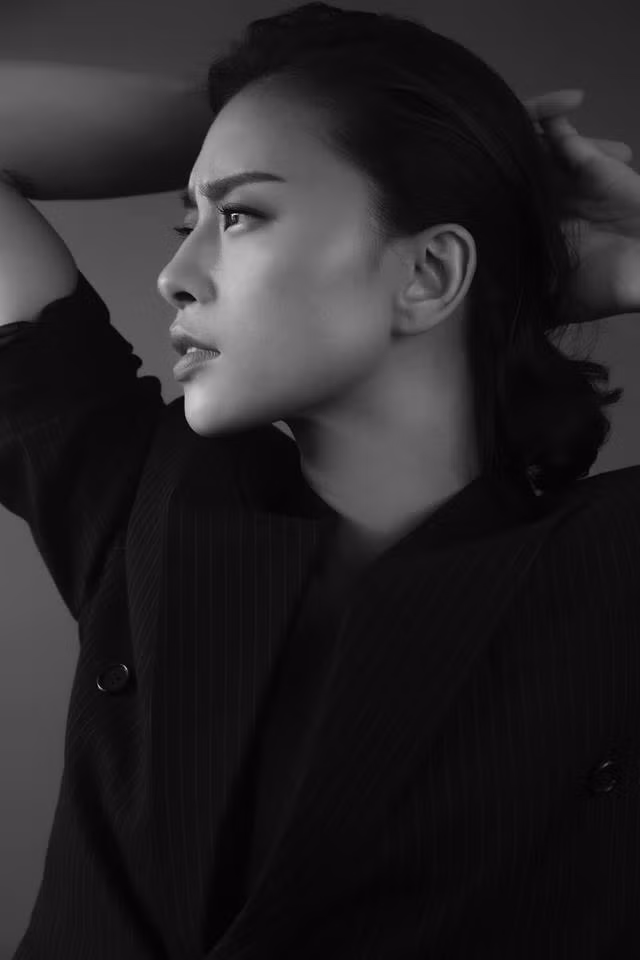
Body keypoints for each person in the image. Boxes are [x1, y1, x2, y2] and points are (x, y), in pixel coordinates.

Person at [2, 3, 640, 957]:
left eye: (239, 215)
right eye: (187, 221)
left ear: (428, 272)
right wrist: (281, 102)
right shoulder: (140, 495)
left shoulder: (614, 567)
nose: (175, 274)